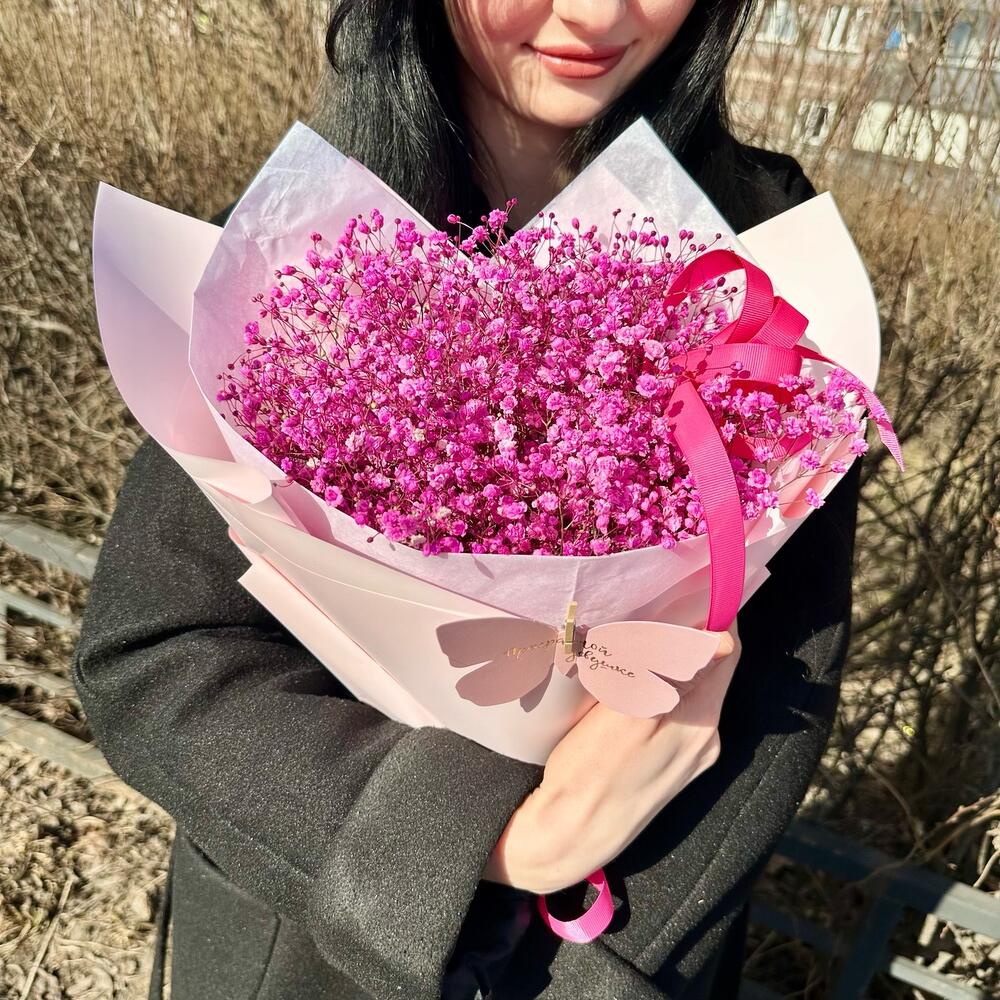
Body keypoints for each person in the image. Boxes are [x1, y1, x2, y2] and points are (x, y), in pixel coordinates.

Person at [72, 2, 864, 998]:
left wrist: (600, 970)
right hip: (310, 941)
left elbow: (786, 668)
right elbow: (157, 656)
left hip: (627, 941)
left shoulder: (756, 251)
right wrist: (482, 839)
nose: (595, 12)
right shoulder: (302, 244)